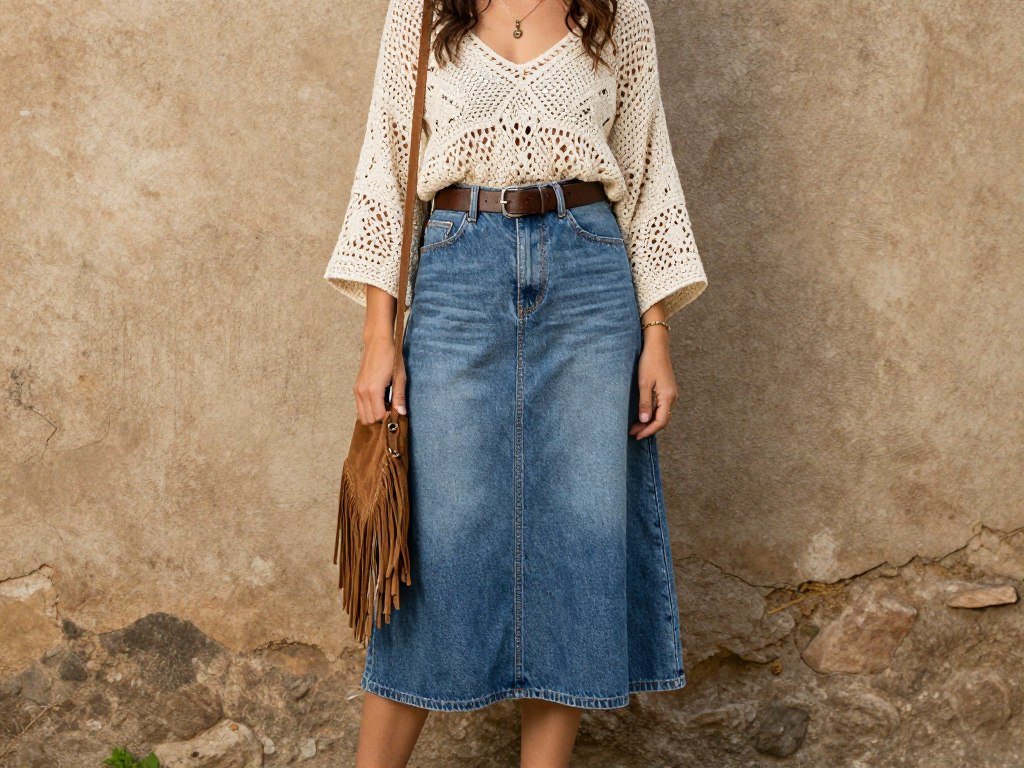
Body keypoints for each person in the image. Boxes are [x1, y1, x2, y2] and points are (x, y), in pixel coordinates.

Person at [324, 0, 708, 765]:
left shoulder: (617, 10)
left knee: (579, 543)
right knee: (439, 549)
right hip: (459, 269)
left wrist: (657, 333)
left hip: (590, 277)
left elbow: (645, 164)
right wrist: (378, 338)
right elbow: (386, 162)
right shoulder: (423, 9)